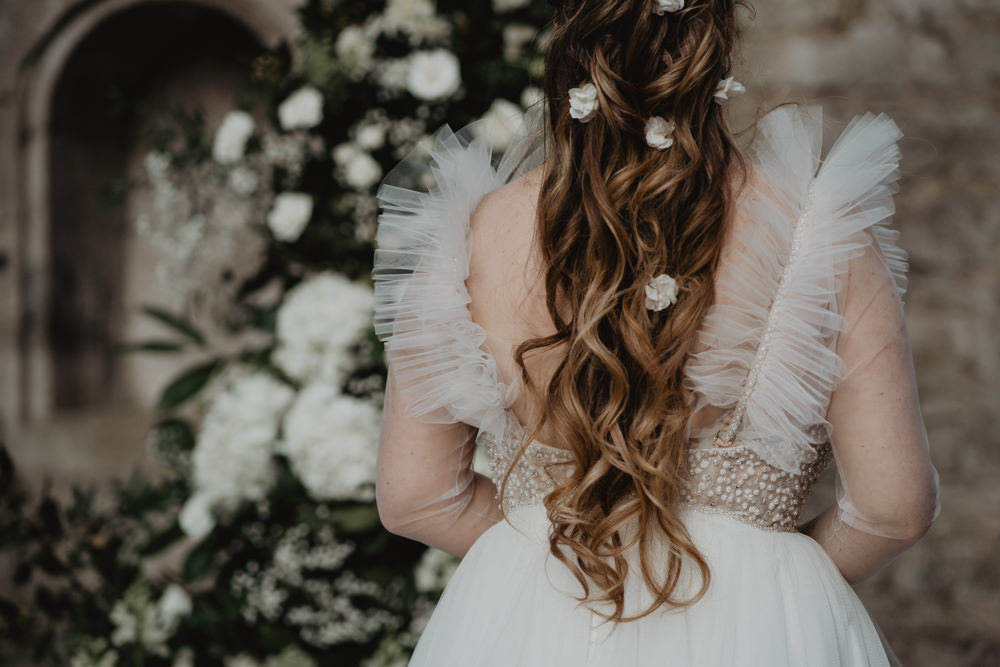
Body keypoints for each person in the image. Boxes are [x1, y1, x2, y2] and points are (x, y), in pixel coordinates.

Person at [372, 0, 941, 664]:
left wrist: (543, 559)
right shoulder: (820, 232)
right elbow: (894, 506)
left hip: (532, 620)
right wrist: (771, 577)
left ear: (568, 30)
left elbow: (414, 496)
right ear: (720, 36)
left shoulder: (472, 234)